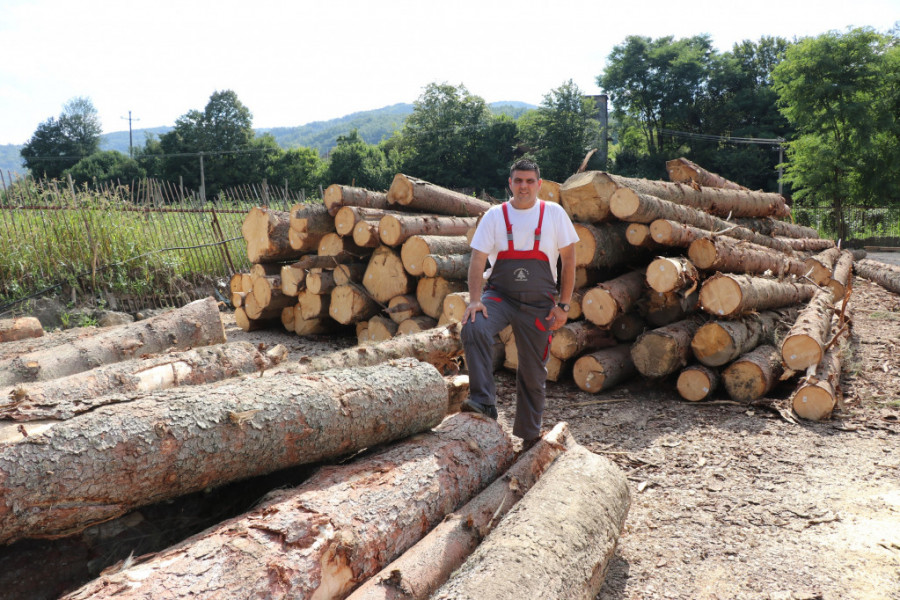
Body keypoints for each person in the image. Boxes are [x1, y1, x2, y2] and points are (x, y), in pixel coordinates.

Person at [460, 158, 578, 444]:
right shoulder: (494, 216)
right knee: (473, 326)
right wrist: (475, 300)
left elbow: (570, 260)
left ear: (539, 184)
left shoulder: (554, 213)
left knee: (533, 371)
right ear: (509, 184)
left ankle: (528, 437)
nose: (523, 186)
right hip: (501, 295)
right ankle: (483, 401)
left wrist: (563, 305)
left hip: (539, 302)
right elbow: (477, 260)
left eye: (529, 181)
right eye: (518, 181)